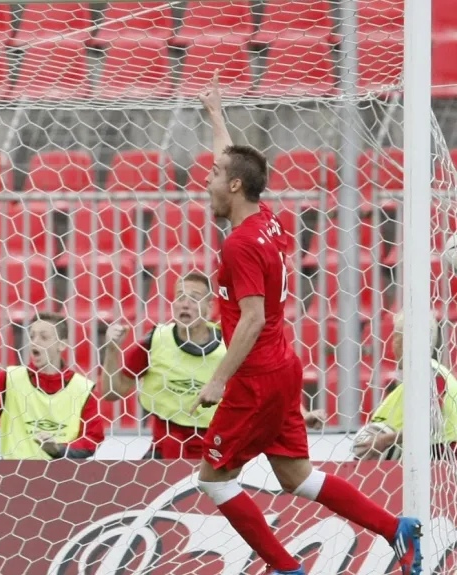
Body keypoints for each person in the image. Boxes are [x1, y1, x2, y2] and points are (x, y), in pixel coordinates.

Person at [190, 74, 422, 575]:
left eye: (213, 176)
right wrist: (215, 115)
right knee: (297, 476)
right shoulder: (264, 219)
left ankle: (286, 568)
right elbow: (234, 163)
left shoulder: (239, 245)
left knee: (214, 478)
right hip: (282, 365)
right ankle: (394, 528)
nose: (206, 182)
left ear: (233, 187)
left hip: (254, 380)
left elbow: (250, 318)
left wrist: (218, 379)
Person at [102, 272, 326, 459]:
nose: (185, 303)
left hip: (219, 448)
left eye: (194, 297)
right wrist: (111, 351)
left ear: (210, 306)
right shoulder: (155, 341)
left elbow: (270, 384)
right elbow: (113, 392)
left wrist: (302, 414)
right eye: (180, 296)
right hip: (165, 449)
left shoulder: (231, 344)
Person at [0, 312, 105, 459]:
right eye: (32, 336)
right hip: (14, 479)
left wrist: (58, 450)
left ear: (62, 345)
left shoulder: (82, 388)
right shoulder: (9, 379)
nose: (34, 341)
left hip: (63, 479)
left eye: (44, 337)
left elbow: (91, 441)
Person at [354, 312, 457, 460]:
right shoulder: (425, 374)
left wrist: (386, 439)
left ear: (403, 341)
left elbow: (431, 423)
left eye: (395, 337)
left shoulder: (430, 373)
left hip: (438, 457)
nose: (393, 343)